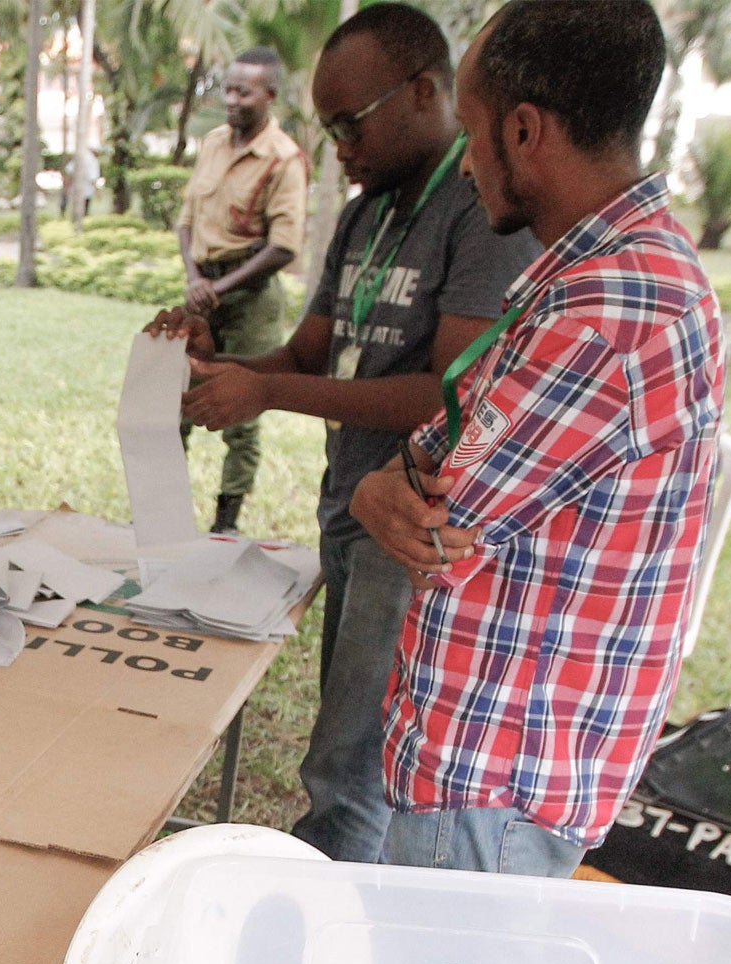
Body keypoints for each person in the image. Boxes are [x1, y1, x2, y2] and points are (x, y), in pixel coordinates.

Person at [150, 4, 540, 863]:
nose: (339, 149)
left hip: (411, 515)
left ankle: (331, 916)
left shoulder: (478, 217)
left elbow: (449, 397)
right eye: (326, 128)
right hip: (351, 507)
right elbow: (309, 351)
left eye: (348, 125)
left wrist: (270, 391)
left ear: (426, 91)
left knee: (352, 761)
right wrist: (228, 368)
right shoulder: (367, 218)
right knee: (346, 729)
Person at [348, 0, 722, 877]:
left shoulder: (607, 313)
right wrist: (381, 485)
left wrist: (380, 490)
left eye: (471, 133)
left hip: (497, 777)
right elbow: (438, 441)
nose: (465, 163)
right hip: (503, 762)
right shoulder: (593, 279)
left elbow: (439, 509)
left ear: (523, 131)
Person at [173, 45, 309, 534]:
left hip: (250, 297)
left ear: (269, 96)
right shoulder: (212, 142)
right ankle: (163, 512)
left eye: (243, 92)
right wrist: (194, 281)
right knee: (176, 400)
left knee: (241, 414)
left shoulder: (283, 160)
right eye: (227, 89)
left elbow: (284, 247)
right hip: (201, 292)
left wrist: (219, 287)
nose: (231, 99)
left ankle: (224, 524)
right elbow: (186, 221)